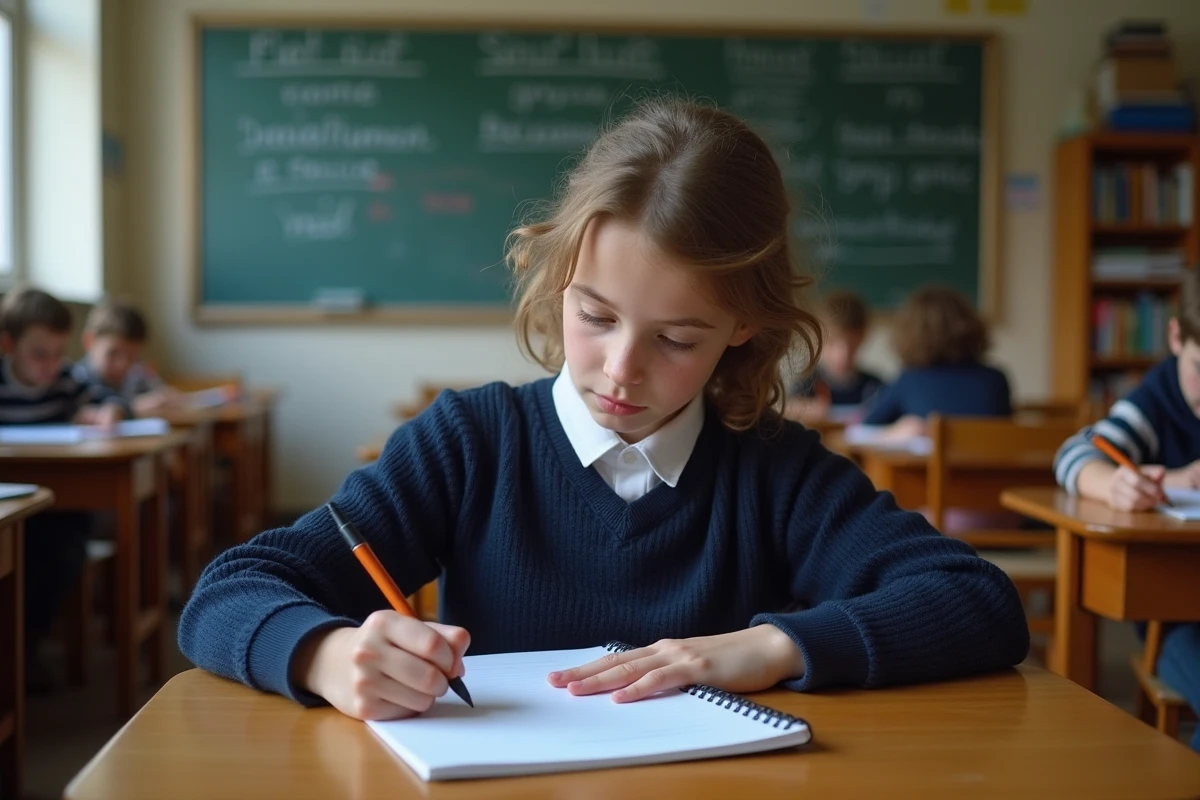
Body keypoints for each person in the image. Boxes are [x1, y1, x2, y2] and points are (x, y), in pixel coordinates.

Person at [179, 98, 1028, 722]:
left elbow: (975, 600)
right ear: (558, 282)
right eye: (596, 316)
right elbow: (227, 593)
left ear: (743, 329)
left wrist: (772, 646)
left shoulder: (776, 472)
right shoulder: (471, 444)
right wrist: (322, 653)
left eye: (679, 338)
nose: (622, 370)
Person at [1053, 267, 1200, 752]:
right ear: (1176, 336)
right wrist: (1114, 483)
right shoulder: (1160, 398)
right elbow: (1074, 455)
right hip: (1178, 616)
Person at [0, 287, 127, 689]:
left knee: (62, 551)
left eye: (59, 353)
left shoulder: (68, 381)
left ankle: (30, 647)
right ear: (8, 345)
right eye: (40, 354)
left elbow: (109, 400)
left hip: (59, 511)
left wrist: (106, 411)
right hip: (9, 502)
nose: (51, 365)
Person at [862, 284, 1011, 439]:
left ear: (912, 332)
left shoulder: (910, 380)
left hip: (925, 463)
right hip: (988, 463)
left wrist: (896, 432)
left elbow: (864, 431)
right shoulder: (996, 380)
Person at [785, 289, 883, 424]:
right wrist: (806, 408)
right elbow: (786, 408)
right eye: (832, 344)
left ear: (862, 338)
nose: (842, 354)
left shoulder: (873, 385)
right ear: (818, 339)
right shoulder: (808, 381)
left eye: (851, 345)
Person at [75, 301, 182, 416]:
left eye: (132, 357)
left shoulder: (136, 375)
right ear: (89, 341)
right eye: (113, 353)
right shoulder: (75, 381)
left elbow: (162, 391)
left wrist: (165, 397)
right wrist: (133, 407)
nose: (122, 364)